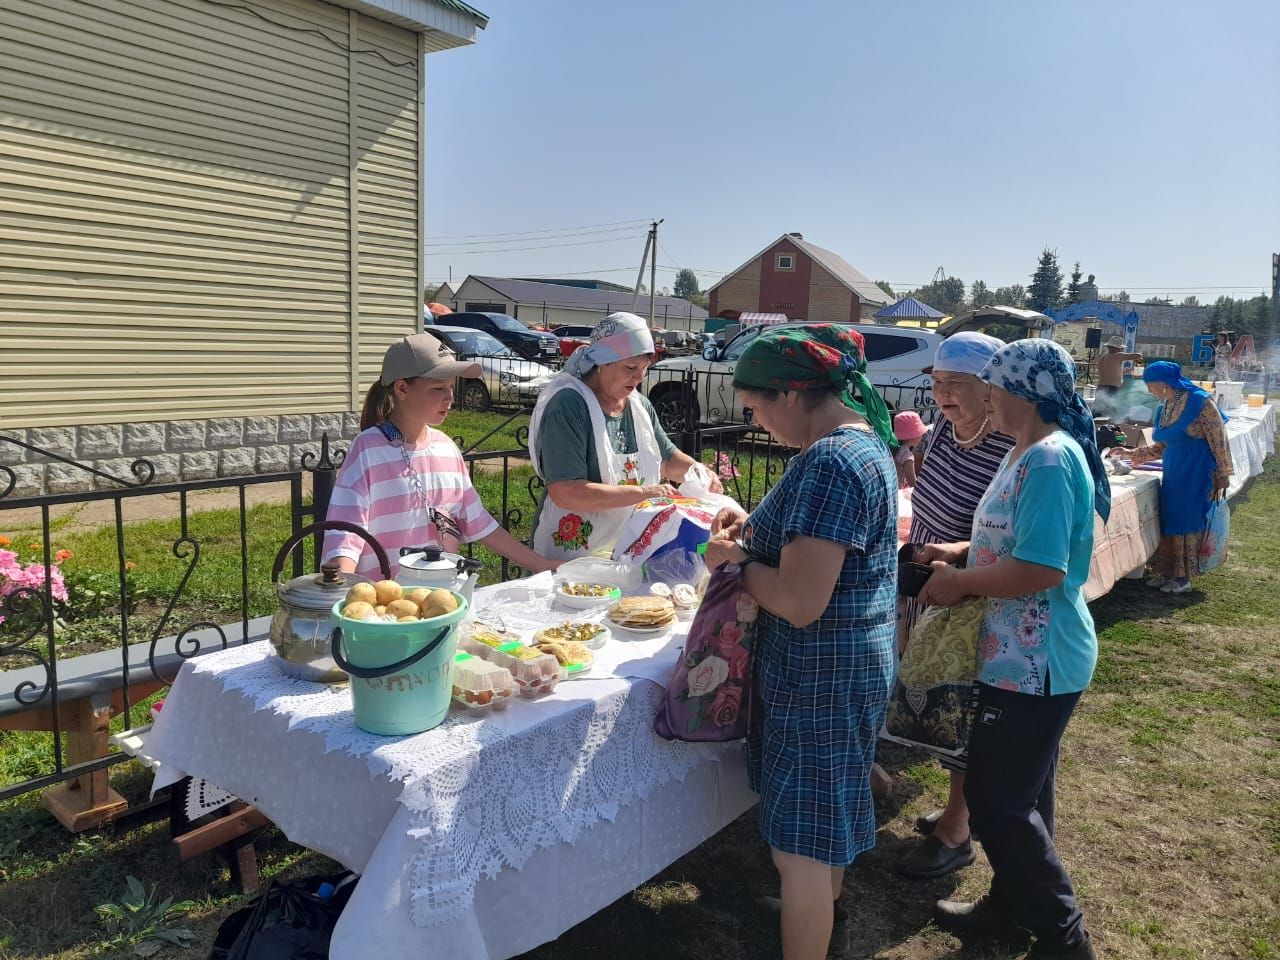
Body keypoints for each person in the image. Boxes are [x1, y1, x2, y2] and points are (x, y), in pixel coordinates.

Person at [704, 324, 898, 960]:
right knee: (824, 819)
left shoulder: (832, 463)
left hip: (822, 674)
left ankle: (808, 909)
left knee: (801, 846)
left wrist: (734, 564)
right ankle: (818, 909)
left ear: (791, 394)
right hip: (847, 665)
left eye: (755, 407)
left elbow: (799, 599)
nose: (755, 420)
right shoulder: (859, 446)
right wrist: (754, 531)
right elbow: (808, 545)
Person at [918, 338, 1108, 960]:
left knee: (997, 803)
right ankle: (1009, 907)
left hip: (1039, 658)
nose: (986, 401)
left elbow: (1041, 568)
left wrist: (960, 583)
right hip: (1016, 653)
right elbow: (1009, 544)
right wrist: (957, 553)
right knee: (1025, 796)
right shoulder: (1024, 452)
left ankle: (1064, 938)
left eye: (992, 390)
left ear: (1021, 392)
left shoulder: (1051, 460)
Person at [893, 332, 1014, 881]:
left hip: (971, 586)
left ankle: (957, 831)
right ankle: (954, 808)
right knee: (937, 700)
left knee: (963, 707)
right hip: (931, 577)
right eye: (937, 384)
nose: (942, 396)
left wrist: (958, 563)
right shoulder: (943, 426)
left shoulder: (1011, 443)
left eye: (955, 385)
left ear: (990, 387)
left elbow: (1008, 536)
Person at [323, 332, 556, 577]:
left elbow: (479, 522)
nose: (450, 398)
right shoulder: (368, 450)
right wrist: (343, 591)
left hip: (442, 601)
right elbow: (346, 534)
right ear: (402, 388)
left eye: (451, 387)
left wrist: (542, 565)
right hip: (385, 607)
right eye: (438, 388)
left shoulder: (446, 448)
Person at [527, 312, 721, 562]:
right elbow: (566, 491)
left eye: (644, 367)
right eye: (630, 368)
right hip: (570, 556)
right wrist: (644, 494)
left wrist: (699, 472)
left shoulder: (639, 406)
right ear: (601, 363)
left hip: (627, 549)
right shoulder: (569, 405)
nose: (640, 377)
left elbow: (667, 459)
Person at [1115, 360, 1232, 594]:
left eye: (1151, 385)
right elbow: (1164, 444)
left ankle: (1183, 577)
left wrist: (1223, 472)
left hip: (1198, 470)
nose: (1149, 390)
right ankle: (1169, 571)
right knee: (1171, 518)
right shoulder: (1164, 408)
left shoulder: (1200, 402)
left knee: (1187, 519)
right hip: (1175, 469)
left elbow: (1219, 439)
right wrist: (1134, 453)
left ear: (1165, 383)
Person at [1094, 335, 1142, 410]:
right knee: (1114, 414)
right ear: (1117, 348)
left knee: (1098, 412)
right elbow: (1138, 355)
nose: (1122, 350)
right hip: (1112, 389)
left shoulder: (1102, 358)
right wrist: (1139, 360)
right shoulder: (1117, 355)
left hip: (1101, 388)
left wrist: (1125, 370)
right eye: (1121, 348)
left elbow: (1109, 373)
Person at [892, 411, 928, 488]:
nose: (922, 436)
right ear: (913, 436)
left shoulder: (894, 448)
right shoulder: (908, 457)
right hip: (900, 491)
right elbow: (912, 483)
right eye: (920, 433)